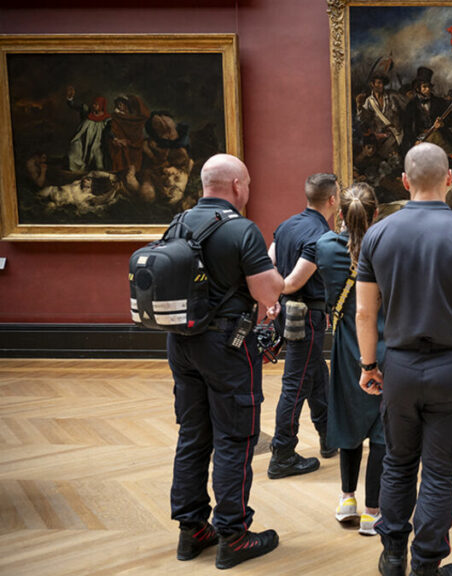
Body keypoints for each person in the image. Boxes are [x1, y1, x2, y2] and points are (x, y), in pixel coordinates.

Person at [356, 142, 452, 576]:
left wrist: (369, 365)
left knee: (398, 463)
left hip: (399, 367)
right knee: (439, 474)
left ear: (405, 181)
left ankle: (391, 556)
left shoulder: (378, 234)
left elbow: (365, 311)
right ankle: (425, 565)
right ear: (447, 179)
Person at [166, 153, 283, 569]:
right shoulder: (241, 230)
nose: (247, 191)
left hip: (180, 344)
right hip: (228, 348)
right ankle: (233, 534)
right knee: (234, 438)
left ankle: (191, 530)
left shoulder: (177, 223)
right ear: (236, 186)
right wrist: (277, 276)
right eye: (247, 184)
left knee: (194, 434)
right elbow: (269, 293)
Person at [315, 182, 387, 536]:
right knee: (382, 429)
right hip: (384, 341)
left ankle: (347, 499)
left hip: (345, 345)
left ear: (339, 214)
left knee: (347, 418)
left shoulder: (324, 247)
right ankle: (373, 511)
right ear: (376, 213)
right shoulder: (386, 245)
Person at [266, 173, 340, 479]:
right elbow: (293, 281)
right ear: (333, 200)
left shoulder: (286, 225)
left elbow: (268, 263)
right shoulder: (320, 236)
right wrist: (281, 292)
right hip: (305, 316)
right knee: (295, 385)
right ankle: (282, 454)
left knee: (316, 374)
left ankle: (329, 436)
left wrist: (273, 299)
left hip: (290, 314)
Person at [65, 86, 110, 172]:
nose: (93, 106)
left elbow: (110, 132)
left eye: (96, 104)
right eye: (93, 104)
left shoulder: (106, 119)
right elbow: (73, 105)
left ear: (101, 106)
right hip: (81, 141)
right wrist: (70, 98)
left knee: (99, 164)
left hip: (96, 145)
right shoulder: (87, 111)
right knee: (72, 155)